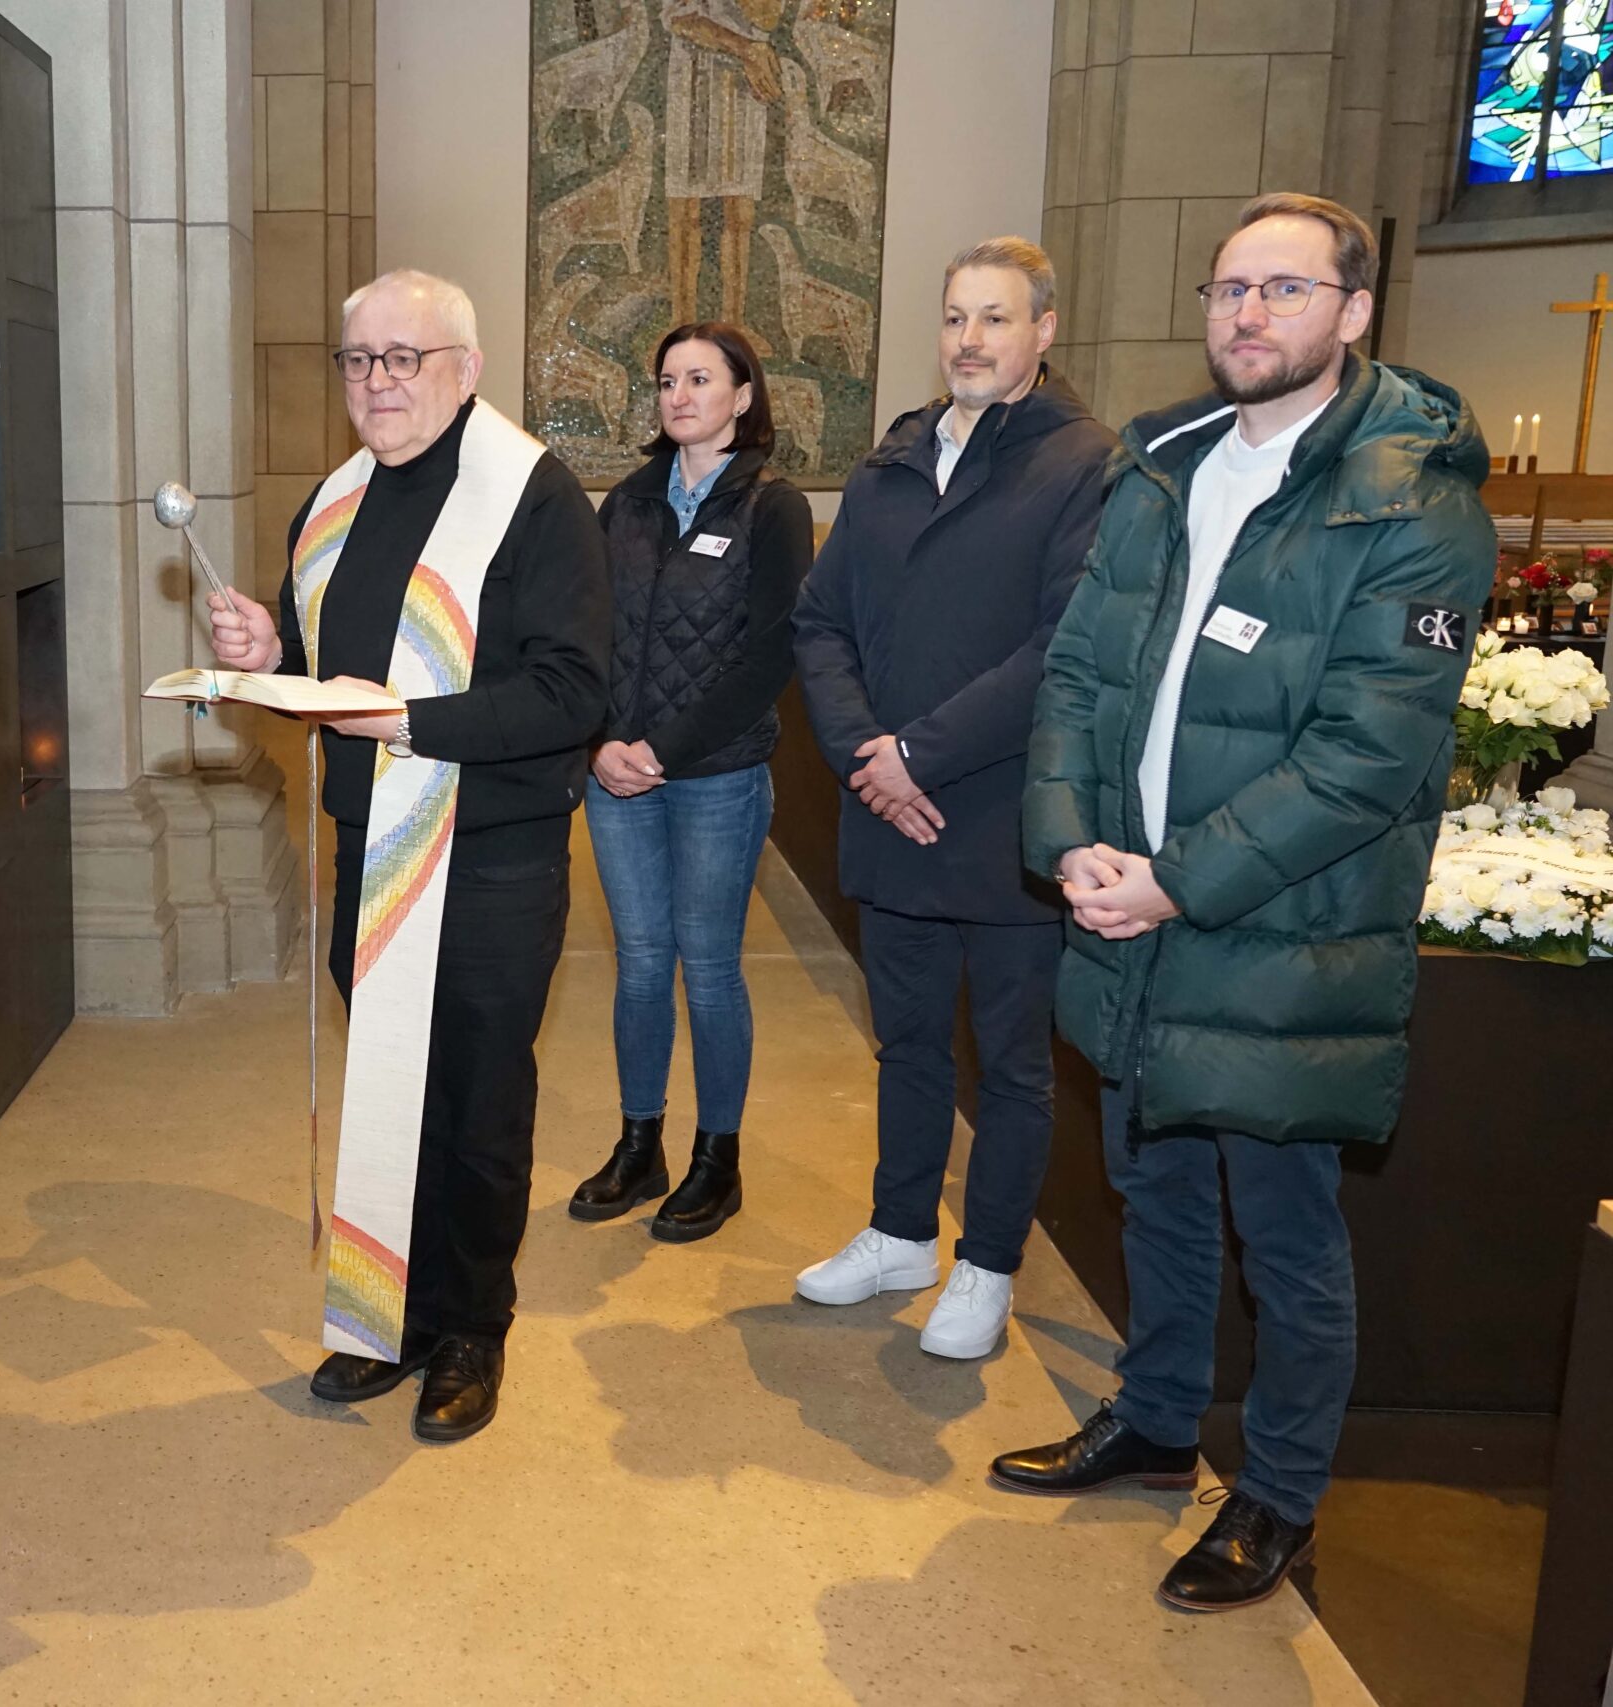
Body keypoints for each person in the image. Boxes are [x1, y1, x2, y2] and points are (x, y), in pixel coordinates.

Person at [991, 193, 1492, 1613]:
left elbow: (1368, 754)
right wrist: (1072, 843)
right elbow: (1078, 671)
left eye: (1283, 288)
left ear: (1355, 310)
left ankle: (1278, 1495)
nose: (1248, 314)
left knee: (1285, 1231)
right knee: (1151, 1183)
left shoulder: (1412, 493)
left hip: (1283, 927)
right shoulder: (1163, 463)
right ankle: (1159, 1420)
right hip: (1126, 900)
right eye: (1228, 289)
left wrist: (1178, 880)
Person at [205, 269, 609, 1444]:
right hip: (368, 841)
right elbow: (322, 671)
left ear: (465, 370)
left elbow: (572, 691)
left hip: (489, 855)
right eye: (358, 359)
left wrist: (411, 723)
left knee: (476, 1101)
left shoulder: (533, 498)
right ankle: (393, 1314)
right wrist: (269, 649)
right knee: (394, 1090)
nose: (377, 382)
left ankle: (471, 1326)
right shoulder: (333, 501)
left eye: (403, 357)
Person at [789, 238, 1117, 1359]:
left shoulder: (1083, 463)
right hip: (892, 812)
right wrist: (863, 755)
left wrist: (916, 756)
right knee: (908, 1045)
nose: (969, 340)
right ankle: (899, 1234)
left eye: (995, 318)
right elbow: (819, 621)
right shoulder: (892, 462)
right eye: (954, 318)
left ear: (1044, 330)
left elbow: (1063, 646)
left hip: (1005, 817)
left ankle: (987, 1266)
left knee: (1013, 1067)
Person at [567, 321, 810, 1241]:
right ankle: (641, 1145)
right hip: (615, 775)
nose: (679, 395)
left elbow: (768, 655)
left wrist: (661, 750)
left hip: (716, 776)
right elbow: (585, 632)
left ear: (743, 395)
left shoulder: (772, 508)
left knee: (707, 968)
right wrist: (599, 740)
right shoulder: (626, 503)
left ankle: (718, 1158)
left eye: (700, 379)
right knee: (639, 965)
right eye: (668, 380)